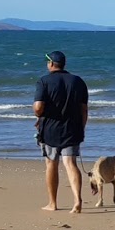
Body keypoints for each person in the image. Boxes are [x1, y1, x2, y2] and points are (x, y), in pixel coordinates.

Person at [34, 50, 90, 213]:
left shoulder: (43, 81)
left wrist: (38, 114)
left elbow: (38, 107)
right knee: (70, 163)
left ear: (51, 63)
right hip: (72, 129)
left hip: (50, 129)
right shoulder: (78, 81)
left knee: (51, 163)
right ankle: (77, 200)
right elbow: (84, 110)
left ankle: (52, 203)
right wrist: (82, 128)